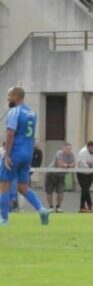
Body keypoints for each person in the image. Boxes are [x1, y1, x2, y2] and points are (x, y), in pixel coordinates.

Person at [1, 86, 51, 226]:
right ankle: (41, 210)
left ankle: (4, 219)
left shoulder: (14, 111)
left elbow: (10, 133)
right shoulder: (32, 112)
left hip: (15, 152)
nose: (8, 98)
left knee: (3, 184)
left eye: (10, 95)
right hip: (28, 153)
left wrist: (7, 155)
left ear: (16, 96)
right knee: (23, 187)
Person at [44, 142, 76, 213]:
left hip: (61, 175)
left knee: (61, 191)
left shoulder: (72, 155)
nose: (69, 150)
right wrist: (69, 165)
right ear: (63, 148)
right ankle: (50, 207)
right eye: (67, 148)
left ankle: (58, 207)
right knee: (49, 191)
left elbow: (74, 164)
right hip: (51, 174)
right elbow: (60, 164)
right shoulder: (59, 153)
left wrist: (66, 165)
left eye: (70, 149)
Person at [76, 140, 93, 213]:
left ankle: (82, 207)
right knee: (85, 189)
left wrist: (92, 165)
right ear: (88, 148)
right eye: (91, 149)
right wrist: (91, 165)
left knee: (85, 190)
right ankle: (89, 204)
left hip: (90, 174)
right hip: (81, 173)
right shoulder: (82, 152)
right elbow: (83, 164)